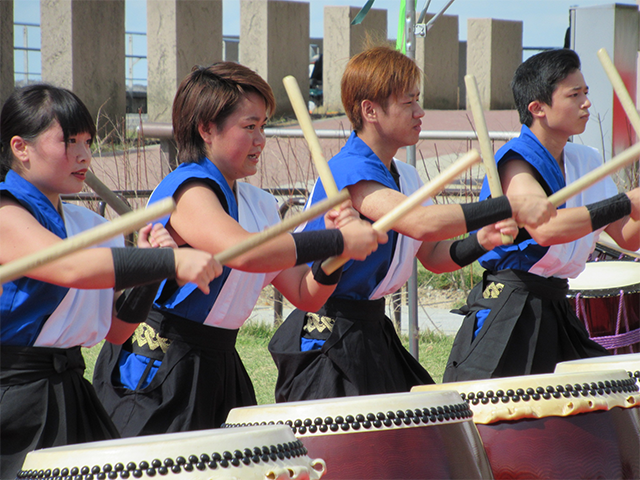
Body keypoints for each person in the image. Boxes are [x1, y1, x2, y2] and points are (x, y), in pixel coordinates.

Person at [93, 62, 383, 436]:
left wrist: (336, 257)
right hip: (160, 366)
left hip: (221, 363)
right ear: (207, 129)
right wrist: (336, 239)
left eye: (263, 126)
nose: (261, 139)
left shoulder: (259, 204)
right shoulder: (187, 190)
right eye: (250, 127)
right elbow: (243, 252)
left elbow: (305, 294)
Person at [268, 45, 556, 402]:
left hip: (372, 329)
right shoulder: (349, 172)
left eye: (418, 100)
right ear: (369, 110)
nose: (420, 112)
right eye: (408, 102)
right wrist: (504, 206)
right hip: (328, 335)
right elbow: (420, 223)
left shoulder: (404, 175)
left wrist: (482, 240)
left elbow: (433, 255)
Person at [0, 84, 221, 477]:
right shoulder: (5, 213)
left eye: (88, 142)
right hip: (14, 398)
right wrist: (171, 260)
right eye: (69, 142)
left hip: (72, 391)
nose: (84, 155)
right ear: (21, 147)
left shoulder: (92, 226)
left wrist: (152, 270)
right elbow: (69, 267)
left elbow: (118, 332)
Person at [443, 49, 640, 382]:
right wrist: (624, 202)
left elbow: (628, 237)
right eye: (574, 95)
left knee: (606, 401)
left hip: (557, 304)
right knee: (501, 418)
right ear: (538, 108)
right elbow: (546, 229)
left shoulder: (586, 161)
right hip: (511, 306)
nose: (586, 103)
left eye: (586, 93)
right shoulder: (514, 161)